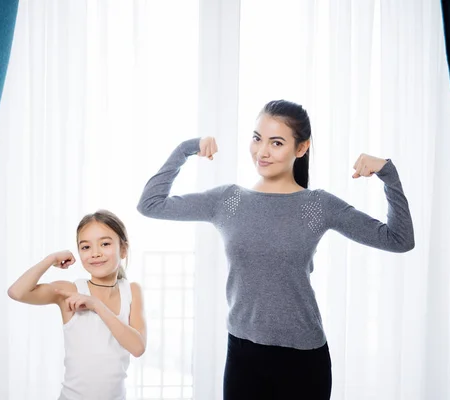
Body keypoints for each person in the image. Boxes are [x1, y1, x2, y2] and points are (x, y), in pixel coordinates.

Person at [136, 99, 414, 400]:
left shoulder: (317, 206)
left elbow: (399, 240)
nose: (262, 151)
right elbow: (150, 204)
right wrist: (187, 148)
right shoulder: (228, 201)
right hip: (243, 355)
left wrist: (388, 173)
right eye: (257, 138)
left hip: (303, 361)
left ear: (301, 148)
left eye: (276, 142)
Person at [8, 210, 147, 400]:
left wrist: (97, 305)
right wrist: (50, 260)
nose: (95, 253)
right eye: (85, 247)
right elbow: (17, 292)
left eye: (105, 244)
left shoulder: (132, 291)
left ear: (123, 249)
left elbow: (137, 347)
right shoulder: (71, 291)